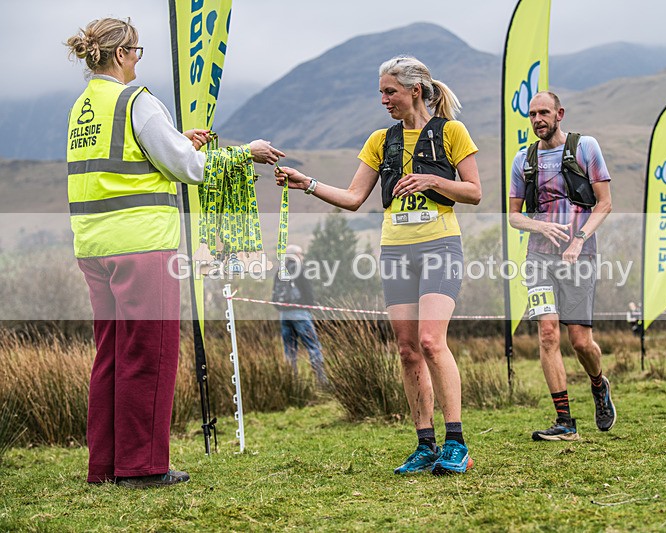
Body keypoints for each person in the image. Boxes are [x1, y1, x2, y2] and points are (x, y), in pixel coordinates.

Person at [65, 17, 284, 488]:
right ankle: (143, 467)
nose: (138, 60)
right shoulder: (136, 101)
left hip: (93, 245)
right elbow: (188, 168)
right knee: (152, 353)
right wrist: (247, 153)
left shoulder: (83, 106)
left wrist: (180, 141)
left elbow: (136, 159)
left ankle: (104, 466)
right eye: (137, 51)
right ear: (122, 54)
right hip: (142, 245)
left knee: (112, 354)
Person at [275, 56, 481, 475]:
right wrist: (307, 184)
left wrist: (432, 181)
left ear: (415, 91)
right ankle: (425, 445)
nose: (384, 99)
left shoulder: (450, 132)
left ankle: (456, 442)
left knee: (430, 341)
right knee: (406, 351)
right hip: (395, 251)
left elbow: (474, 192)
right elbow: (354, 198)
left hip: (440, 245)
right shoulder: (380, 140)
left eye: (391, 92)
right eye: (381, 92)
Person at [508, 91, 616, 441]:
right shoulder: (523, 159)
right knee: (548, 333)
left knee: (580, 341)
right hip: (538, 258)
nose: (538, 119)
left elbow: (605, 203)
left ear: (559, 113)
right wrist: (539, 225)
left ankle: (599, 385)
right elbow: (513, 216)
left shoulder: (586, 148)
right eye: (532, 114)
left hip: (579, 255)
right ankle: (565, 422)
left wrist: (579, 239)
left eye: (544, 113)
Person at [272, 244, 329, 386]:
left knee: (289, 350)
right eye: (301, 254)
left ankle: (292, 383)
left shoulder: (280, 271)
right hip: (300, 313)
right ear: (296, 255)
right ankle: (322, 381)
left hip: (284, 315)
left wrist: (281, 309)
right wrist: (310, 306)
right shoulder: (299, 269)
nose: (302, 256)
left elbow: (274, 294)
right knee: (313, 346)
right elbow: (308, 291)